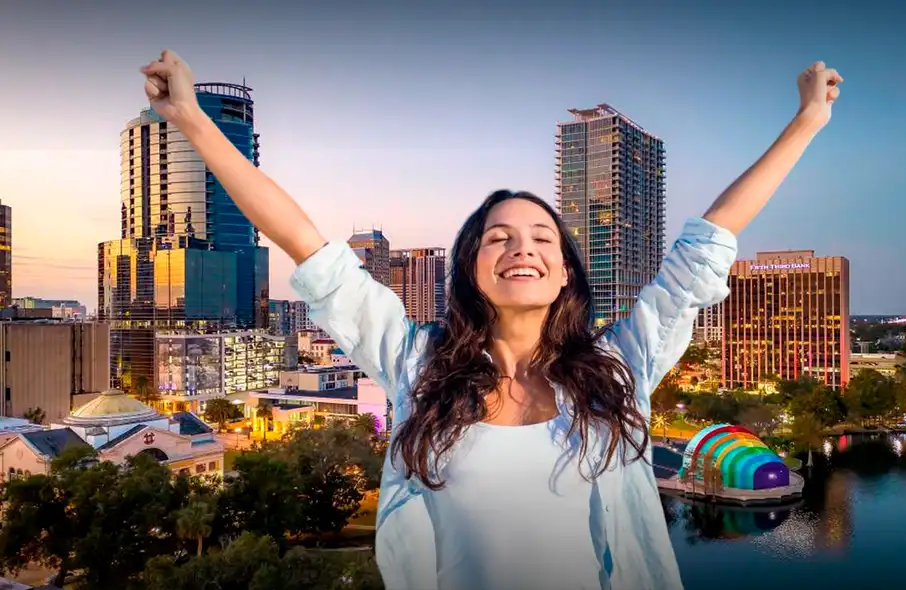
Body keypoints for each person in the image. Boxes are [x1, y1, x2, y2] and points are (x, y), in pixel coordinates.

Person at [141, 50, 841, 590]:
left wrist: (808, 121)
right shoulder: (416, 367)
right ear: (472, 268)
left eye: (541, 236)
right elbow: (305, 243)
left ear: (566, 270)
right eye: (498, 237)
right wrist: (195, 120)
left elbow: (708, 241)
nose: (522, 247)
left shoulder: (619, 373)